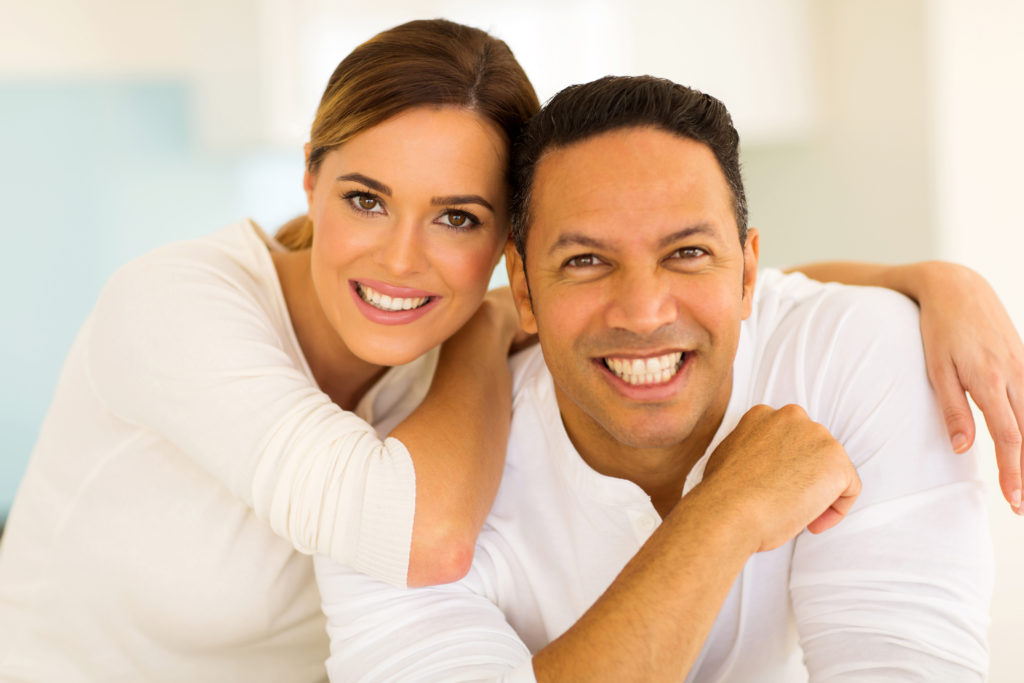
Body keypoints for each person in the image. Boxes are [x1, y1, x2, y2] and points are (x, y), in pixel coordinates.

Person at [0, 17, 1018, 683]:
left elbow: (669, 297)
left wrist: (928, 280)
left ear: (500, 247)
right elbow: (424, 536)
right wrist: (727, 504)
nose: (403, 254)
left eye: (457, 215)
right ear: (309, 178)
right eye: (364, 197)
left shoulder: (424, 338)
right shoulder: (183, 307)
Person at [315, 76, 998, 681]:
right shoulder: (387, 496)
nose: (643, 312)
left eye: (688, 252)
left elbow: (902, 662)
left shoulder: (860, 353)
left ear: (747, 271)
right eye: (586, 260)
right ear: (522, 286)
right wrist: (724, 513)